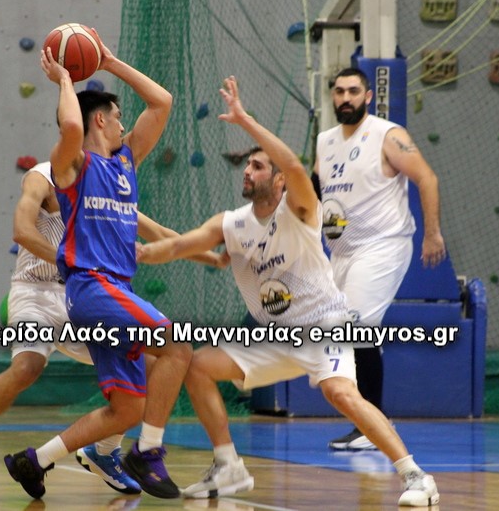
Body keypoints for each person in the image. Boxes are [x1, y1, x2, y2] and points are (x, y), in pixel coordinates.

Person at [137, 76, 440, 507]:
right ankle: (228, 466)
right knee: (199, 365)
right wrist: (139, 253)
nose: (248, 170)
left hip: (323, 324)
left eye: (259, 166)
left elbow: (296, 168)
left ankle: (416, 476)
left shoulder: (299, 210)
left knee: (341, 394)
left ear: (279, 181)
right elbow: (177, 246)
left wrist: (245, 120)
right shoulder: (232, 223)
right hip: (276, 335)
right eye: (247, 165)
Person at [0, 161, 224, 493]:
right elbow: (22, 231)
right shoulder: (43, 177)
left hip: (81, 296)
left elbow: (161, 234)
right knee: (27, 367)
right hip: (36, 291)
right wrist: (70, 260)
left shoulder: (106, 187)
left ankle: (105, 451)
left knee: (153, 366)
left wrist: (213, 257)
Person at [3, 33, 191, 500]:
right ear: (101, 119)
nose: (125, 124)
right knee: (177, 346)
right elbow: (71, 125)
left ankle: (34, 460)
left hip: (112, 294)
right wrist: (66, 79)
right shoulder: (72, 167)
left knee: (126, 409)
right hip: (93, 288)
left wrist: (109, 62)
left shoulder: (125, 162)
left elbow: (162, 102)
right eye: (118, 116)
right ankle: (148, 452)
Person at [314, 67, 446, 451]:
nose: (346, 98)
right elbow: (314, 190)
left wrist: (432, 233)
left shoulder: (388, 135)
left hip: (382, 246)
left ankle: (374, 427)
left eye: (353, 91)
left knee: (356, 328)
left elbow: (427, 178)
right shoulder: (325, 141)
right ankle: (367, 425)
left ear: (368, 96)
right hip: (341, 252)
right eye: (339, 91)